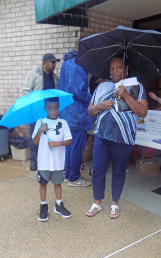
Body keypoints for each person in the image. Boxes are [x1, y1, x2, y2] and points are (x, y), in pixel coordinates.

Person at [86, 55, 148, 219]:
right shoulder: (102, 87)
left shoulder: (137, 86)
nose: (114, 71)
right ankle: (97, 202)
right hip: (102, 135)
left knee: (119, 171)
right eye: (112, 68)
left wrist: (126, 95)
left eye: (119, 67)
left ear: (126, 69)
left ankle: (115, 203)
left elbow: (142, 112)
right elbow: (90, 110)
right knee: (98, 169)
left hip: (124, 137)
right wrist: (99, 106)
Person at [32, 97, 72, 222]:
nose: (53, 111)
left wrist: (57, 144)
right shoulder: (40, 122)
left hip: (57, 161)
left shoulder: (63, 123)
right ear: (45, 108)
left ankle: (58, 205)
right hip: (44, 161)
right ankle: (44, 206)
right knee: (43, 183)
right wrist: (40, 130)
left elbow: (69, 140)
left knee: (57, 182)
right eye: (50, 108)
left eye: (55, 108)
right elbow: (34, 141)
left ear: (58, 107)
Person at [59, 50, 92, 187]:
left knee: (69, 145)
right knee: (77, 146)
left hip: (66, 110)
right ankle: (74, 177)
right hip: (77, 113)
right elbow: (77, 91)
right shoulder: (78, 65)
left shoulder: (66, 63)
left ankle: (68, 174)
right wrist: (93, 98)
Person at [22, 53, 60, 171]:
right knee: (35, 135)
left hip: (50, 112)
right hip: (36, 110)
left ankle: (46, 160)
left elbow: (57, 93)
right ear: (44, 62)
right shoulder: (34, 74)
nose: (54, 64)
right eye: (52, 62)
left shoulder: (55, 77)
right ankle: (34, 161)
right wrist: (34, 101)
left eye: (55, 62)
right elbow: (25, 91)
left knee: (48, 135)